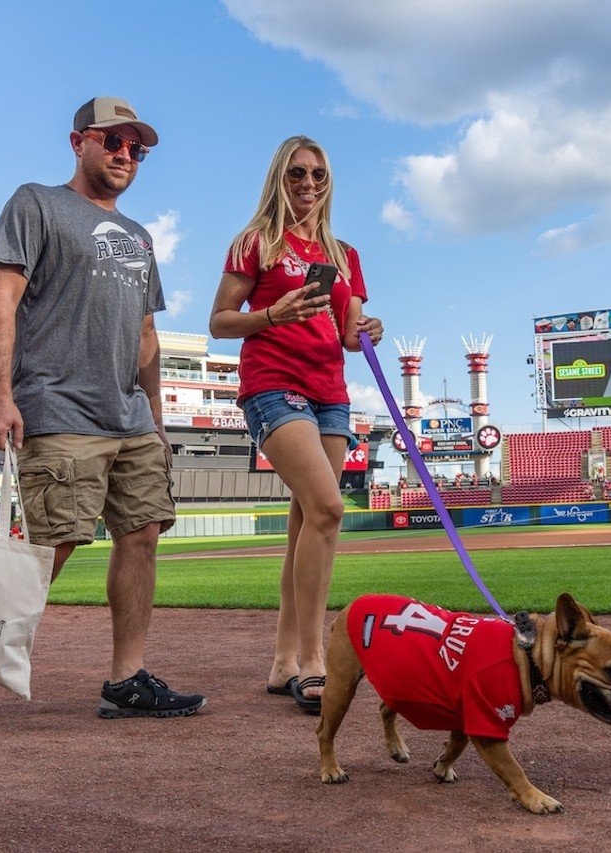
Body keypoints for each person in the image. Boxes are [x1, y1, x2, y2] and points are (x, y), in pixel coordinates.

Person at [0, 96, 204, 719]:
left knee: (142, 535)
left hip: (130, 417)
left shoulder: (140, 238)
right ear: (77, 142)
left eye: (135, 148)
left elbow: (146, 335)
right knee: (55, 540)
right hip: (58, 404)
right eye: (112, 141)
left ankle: (127, 678)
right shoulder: (36, 203)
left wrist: (157, 420)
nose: (124, 155)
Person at [209, 135, 383, 713]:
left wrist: (368, 332)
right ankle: (313, 661)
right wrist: (270, 314)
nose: (308, 184)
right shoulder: (255, 242)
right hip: (273, 387)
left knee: (308, 520)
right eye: (296, 174)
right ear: (279, 178)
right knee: (329, 509)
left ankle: (284, 661)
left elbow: (350, 337)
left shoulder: (343, 253)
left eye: (318, 175)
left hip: (330, 393)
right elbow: (220, 321)